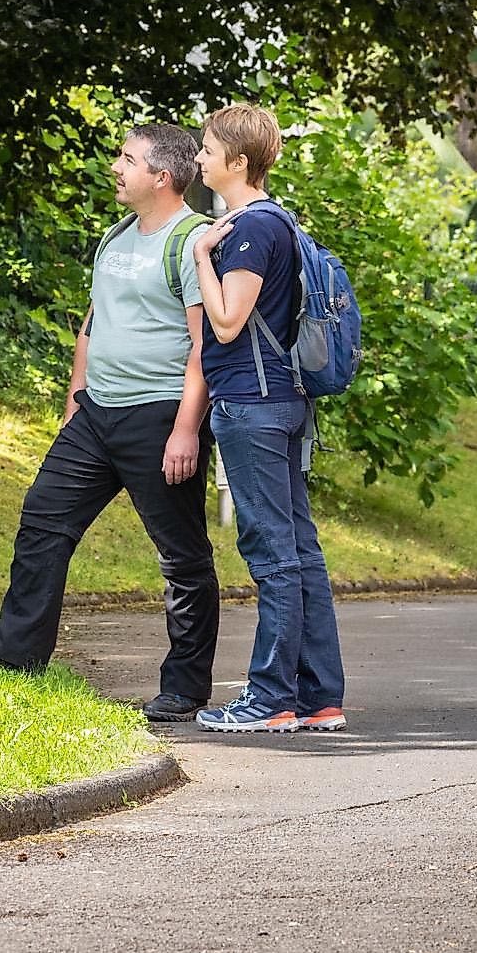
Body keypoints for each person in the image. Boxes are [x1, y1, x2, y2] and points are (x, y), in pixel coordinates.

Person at [0, 124, 220, 722]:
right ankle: (15, 657)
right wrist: (76, 401)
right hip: (96, 413)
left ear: (162, 177)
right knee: (43, 520)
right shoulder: (116, 236)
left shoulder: (192, 242)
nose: (115, 168)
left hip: (159, 417)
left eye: (128, 160)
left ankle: (185, 687)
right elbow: (92, 324)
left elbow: (205, 347)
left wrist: (186, 429)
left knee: (181, 554)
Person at [188, 103, 345, 735]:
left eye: (207, 149)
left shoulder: (250, 228)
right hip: (282, 399)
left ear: (238, 161)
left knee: (273, 552)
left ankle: (270, 698)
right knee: (300, 550)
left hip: (252, 405)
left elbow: (228, 321)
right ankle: (319, 697)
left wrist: (202, 255)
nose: (199, 158)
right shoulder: (280, 221)